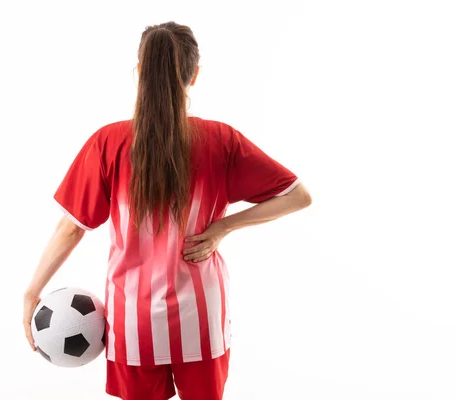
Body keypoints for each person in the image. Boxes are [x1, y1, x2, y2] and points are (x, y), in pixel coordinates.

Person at [23, 21, 312, 400]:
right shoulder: (221, 140)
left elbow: (71, 228)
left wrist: (32, 292)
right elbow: (297, 196)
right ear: (193, 75)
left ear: (140, 71)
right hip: (201, 315)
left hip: (133, 321)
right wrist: (223, 226)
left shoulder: (108, 142)